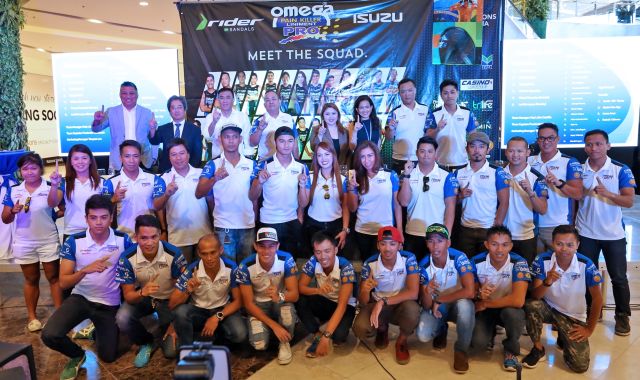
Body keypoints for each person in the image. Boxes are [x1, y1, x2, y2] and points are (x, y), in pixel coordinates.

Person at [41, 195, 132, 380]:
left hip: (109, 303)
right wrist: (84, 271)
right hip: (81, 298)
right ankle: (77, 355)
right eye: (93, 217)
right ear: (86, 218)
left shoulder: (123, 240)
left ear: (111, 218)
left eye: (104, 217)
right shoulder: (74, 241)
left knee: (108, 357)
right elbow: (64, 282)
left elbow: (133, 272)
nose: (99, 222)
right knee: (50, 334)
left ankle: (96, 328)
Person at [576, 129, 636, 336]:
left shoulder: (621, 169)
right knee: (587, 277)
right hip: (585, 233)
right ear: (585, 147)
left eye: (599, 144)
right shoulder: (578, 169)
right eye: (589, 144)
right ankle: (592, 312)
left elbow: (628, 201)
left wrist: (608, 193)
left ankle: (622, 317)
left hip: (613, 235)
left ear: (608, 146)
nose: (594, 148)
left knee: (619, 277)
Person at [522, 225, 603, 373]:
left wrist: (589, 329)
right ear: (553, 243)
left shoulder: (586, 264)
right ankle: (538, 348)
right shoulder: (542, 260)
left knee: (580, 366)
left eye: (570, 245)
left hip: (573, 316)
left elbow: (598, 299)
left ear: (577, 245)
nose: (564, 249)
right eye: (559, 244)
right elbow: (535, 296)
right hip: (549, 309)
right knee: (530, 305)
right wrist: (548, 281)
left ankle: (563, 336)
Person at [115, 215, 188, 368]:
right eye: (144, 238)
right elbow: (128, 296)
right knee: (122, 318)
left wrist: (173, 323)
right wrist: (142, 292)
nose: (149, 243)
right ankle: (146, 342)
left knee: (170, 353)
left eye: (154, 237)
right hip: (145, 297)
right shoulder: (126, 258)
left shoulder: (174, 254)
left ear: (161, 235)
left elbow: (182, 291)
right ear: (136, 237)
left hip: (170, 300)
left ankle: (169, 326)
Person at [2, 152, 62, 332]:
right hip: (24, 242)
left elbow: (56, 205)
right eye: (25, 168)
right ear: (20, 171)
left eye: (33, 168)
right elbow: (5, 219)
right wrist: (12, 211)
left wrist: (50, 216)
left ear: (41, 170)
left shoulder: (51, 186)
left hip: (48, 240)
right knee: (31, 279)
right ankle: (32, 318)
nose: (29, 172)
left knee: (53, 278)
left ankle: (60, 317)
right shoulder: (14, 190)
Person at [352, 226, 420, 365]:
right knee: (359, 328)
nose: (387, 248)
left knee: (412, 310)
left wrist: (383, 301)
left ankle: (401, 341)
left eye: (392, 244)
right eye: (383, 243)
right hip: (377, 305)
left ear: (400, 246)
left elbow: (413, 293)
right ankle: (382, 329)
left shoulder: (409, 258)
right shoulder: (369, 263)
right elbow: (363, 302)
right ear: (378, 245)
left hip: (400, 304)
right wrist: (364, 290)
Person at [416, 223, 475, 374]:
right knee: (423, 335)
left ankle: (461, 351)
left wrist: (440, 299)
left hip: (456, 303)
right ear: (426, 243)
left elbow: (470, 291)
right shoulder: (422, 266)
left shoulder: (459, 257)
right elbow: (427, 305)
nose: (435, 245)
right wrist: (427, 291)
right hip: (437, 308)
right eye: (431, 241)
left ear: (448, 243)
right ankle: (441, 328)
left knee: (466, 307)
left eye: (440, 240)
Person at [470, 225, 530, 372]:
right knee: (478, 345)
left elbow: (518, 300)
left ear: (511, 246)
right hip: (486, 309)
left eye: (504, 245)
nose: (499, 250)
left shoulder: (519, 263)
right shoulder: (475, 262)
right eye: (494, 244)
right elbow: (472, 292)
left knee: (514, 314)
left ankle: (510, 350)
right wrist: (479, 294)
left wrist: (486, 303)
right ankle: (489, 334)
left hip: (507, 308)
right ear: (486, 245)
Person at [235, 227, 299, 365]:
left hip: (280, 302)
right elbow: (248, 304)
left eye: (271, 246)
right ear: (255, 246)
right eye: (262, 246)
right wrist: (275, 326)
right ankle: (273, 328)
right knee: (260, 344)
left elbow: (294, 295)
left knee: (287, 313)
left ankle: (284, 343)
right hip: (258, 306)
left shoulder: (286, 259)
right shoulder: (245, 266)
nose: (266, 251)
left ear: (277, 246)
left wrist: (279, 296)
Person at [169, 234, 246, 348]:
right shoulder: (192, 270)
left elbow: (239, 301)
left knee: (240, 335)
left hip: (222, 310)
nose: (209, 258)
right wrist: (188, 290)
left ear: (221, 250)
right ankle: (187, 349)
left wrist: (216, 317)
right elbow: (172, 304)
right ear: (199, 253)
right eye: (204, 254)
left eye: (213, 252)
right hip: (198, 311)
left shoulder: (231, 268)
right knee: (180, 312)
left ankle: (211, 337)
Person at [197, 124, 258, 263]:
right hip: (223, 225)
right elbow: (199, 193)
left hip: (247, 224)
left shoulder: (252, 164)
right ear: (220, 139)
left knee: (247, 267)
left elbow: (255, 198)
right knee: (227, 268)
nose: (231, 140)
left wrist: (254, 220)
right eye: (227, 137)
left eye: (235, 137)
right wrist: (215, 178)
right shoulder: (212, 164)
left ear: (241, 139)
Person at [250, 126, 310, 258]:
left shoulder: (301, 167)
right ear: (275, 142)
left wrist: (302, 185)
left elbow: (304, 203)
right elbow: (252, 196)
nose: (286, 145)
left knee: (290, 262)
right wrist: (259, 181)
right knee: (267, 262)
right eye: (282, 141)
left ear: (294, 142)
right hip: (268, 221)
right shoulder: (264, 165)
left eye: (290, 141)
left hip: (291, 221)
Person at [153, 138, 213, 263]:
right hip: (178, 239)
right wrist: (167, 194)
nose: (178, 158)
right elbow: (156, 206)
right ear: (169, 157)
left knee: (202, 276)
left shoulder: (201, 174)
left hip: (204, 235)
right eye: (173, 154)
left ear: (188, 154)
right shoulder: (163, 178)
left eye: (182, 153)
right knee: (182, 278)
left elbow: (211, 201)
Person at [297, 232, 356, 358]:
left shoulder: (345, 266)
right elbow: (301, 288)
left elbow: (342, 306)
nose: (323, 256)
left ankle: (328, 331)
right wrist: (317, 291)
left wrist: (326, 337)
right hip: (324, 301)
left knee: (339, 338)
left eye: (327, 251)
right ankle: (317, 333)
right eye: (318, 252)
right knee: (299, 299)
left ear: (335, 250)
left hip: (345, 307)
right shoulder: (313, 261)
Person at [398, 136, 457, 259]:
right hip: (412, 232)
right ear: (416, 153)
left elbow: (450, 207)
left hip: (436, 235)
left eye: (430, 151)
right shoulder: (408, 173)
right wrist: (407, 176)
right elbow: (403, 202)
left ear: (436, 153)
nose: (426, 155)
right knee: (412, 273)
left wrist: (448, 235)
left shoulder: (446, 175)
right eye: (422, 151)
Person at [527, 123, 583, 252]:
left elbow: (578, 194)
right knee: (535, 269)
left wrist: (559, 184)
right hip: (530, 226)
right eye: (542, 138)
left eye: (550, 138)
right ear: (537, 140)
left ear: (557, 139)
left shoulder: (569, 162)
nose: (546, 142)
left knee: (559, 269)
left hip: (558, 225)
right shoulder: (529, 161)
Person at [453, 131, 510, 257]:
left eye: (481, 146)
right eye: (473, 146)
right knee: (466, 269)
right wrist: (460, 196)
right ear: (467, 149)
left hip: (488, 229)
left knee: (485, 269)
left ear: (487, 150)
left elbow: (504, 202)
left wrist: (496, 229)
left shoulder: (496, 172)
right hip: (465, 229)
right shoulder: (458, 173)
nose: (477, 150)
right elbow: (451, 203)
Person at [346, 141, 402, 260]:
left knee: (385, 266)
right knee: (367, 267)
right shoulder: (356, 177)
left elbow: (397, 205)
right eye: (362, 156)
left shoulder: (390, 175)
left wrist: (400, 231)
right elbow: (352, 208)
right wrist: (351, 188)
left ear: (376, 155)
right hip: (362, 231)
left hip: (386, 232)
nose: (367, 160)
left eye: (370, 155)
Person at [102, 140, 164, 238]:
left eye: (135, 156)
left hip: (148, 238)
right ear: (121, 158)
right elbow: (102, 212)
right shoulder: (110, 183)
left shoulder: (154, 179)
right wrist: (114, 199)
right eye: (127, 156)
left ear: (140, 158)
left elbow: (160, 209)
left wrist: (163, 231)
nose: (131, 160)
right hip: (122, 237)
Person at [503, 136, 548, 264]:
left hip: (526, 236)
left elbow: (543, 209)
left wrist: (530, 192)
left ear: (528, 153)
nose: (515, 155)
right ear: (506, 152)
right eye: (511, 151)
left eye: (520, 151)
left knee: (525, 279)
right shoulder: (498, 174)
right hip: (501, 236)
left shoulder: (537, 178)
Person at [91, 81, 156, 170]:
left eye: (131, 93)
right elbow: (96, 129)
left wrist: (153, 129)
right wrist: (97, 120)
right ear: (120, 95)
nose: (128, 96)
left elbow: (153, 138)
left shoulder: (147, 112)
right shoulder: (111, 112)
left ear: (137, 95)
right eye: (124, 93)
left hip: (142, 159)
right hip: (119, 159)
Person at [47, 144, 106, 240]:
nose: (80, 162)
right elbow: (52, 203)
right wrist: (54, 185)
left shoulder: (102, 182)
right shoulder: (63, 182)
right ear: (70, 161)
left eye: (84, 158)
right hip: (72, 233)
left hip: (98, 232)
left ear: (90, 160)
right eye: (76, 158)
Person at [301, 142, 350, 254]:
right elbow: (303, 204)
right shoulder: (310, 177)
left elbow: (345, 207)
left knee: (335, 261)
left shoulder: (343, 179)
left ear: (333, 155)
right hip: (313, 226)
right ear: (316, 158)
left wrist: (345, 230)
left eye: (327, 154)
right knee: (317, 261)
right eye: (319, 155)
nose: (323, 158)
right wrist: (302, 185)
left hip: (336, 226)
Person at [426, 79, 477, 171]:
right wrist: (437, 129)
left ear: (457, 93)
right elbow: (427, 137)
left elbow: (474, 137)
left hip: (462, 163)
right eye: (445, 93)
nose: (449, 96)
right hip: (440, 164)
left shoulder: (467, 112)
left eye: (452, 92)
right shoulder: (434, 114)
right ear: (441, 95)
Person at [385, 78, 429, 174]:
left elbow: (429, 134)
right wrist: (391, 129)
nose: (407, 94)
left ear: (415, 90)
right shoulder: (394, 113)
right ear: (399, 93)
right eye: (403, 91)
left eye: (410, 90)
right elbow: (388, 137)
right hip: (400, 160)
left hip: (422, 159)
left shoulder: (425, 110)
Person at [149, 95, 203, 172]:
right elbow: (154, 141)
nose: (176, 110)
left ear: (185, 109)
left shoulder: (195, 130)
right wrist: (152, 129)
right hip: (166, 171)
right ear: (169, 111)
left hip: (188, 172)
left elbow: (197, 154)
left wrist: (190, 171)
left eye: (179, 107)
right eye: (173, 108)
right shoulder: (163, 129)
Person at [203, 88, 253, 158]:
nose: (225, 101)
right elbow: (207, 136)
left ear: (233, 100)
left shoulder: (242, 116)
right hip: (218, 158)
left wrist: (249, 155)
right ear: (218, 100)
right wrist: (214, 122)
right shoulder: (210, 117)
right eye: (221, 98)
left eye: (228, 97)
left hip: (239, 159)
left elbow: (247, 138)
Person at [249, 90, 298, 160]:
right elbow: (252, 143)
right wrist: (260, 130)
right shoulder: (259, 121)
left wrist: (297, 162)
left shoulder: (289, 118)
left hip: (286, 162)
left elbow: (295, 143)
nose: (271, 102)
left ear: (279, 101)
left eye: (273, 99)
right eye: (267, 100)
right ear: (264, 105)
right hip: (265, 162)